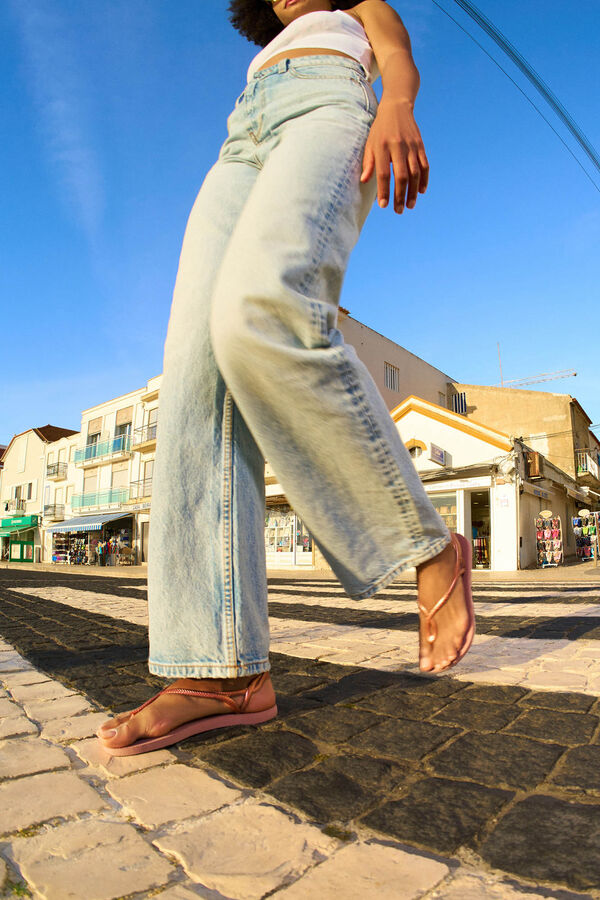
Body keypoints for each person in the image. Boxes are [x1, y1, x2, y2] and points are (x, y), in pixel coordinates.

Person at [98, 0, 475, 757]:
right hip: (241, 138)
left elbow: (396, 50)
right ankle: (217, 672)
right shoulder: (267, 44)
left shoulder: (355, 12)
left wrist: (395, 104)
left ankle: (426, 545)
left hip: (329, 102)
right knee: (197, 374)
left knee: (261, 307)